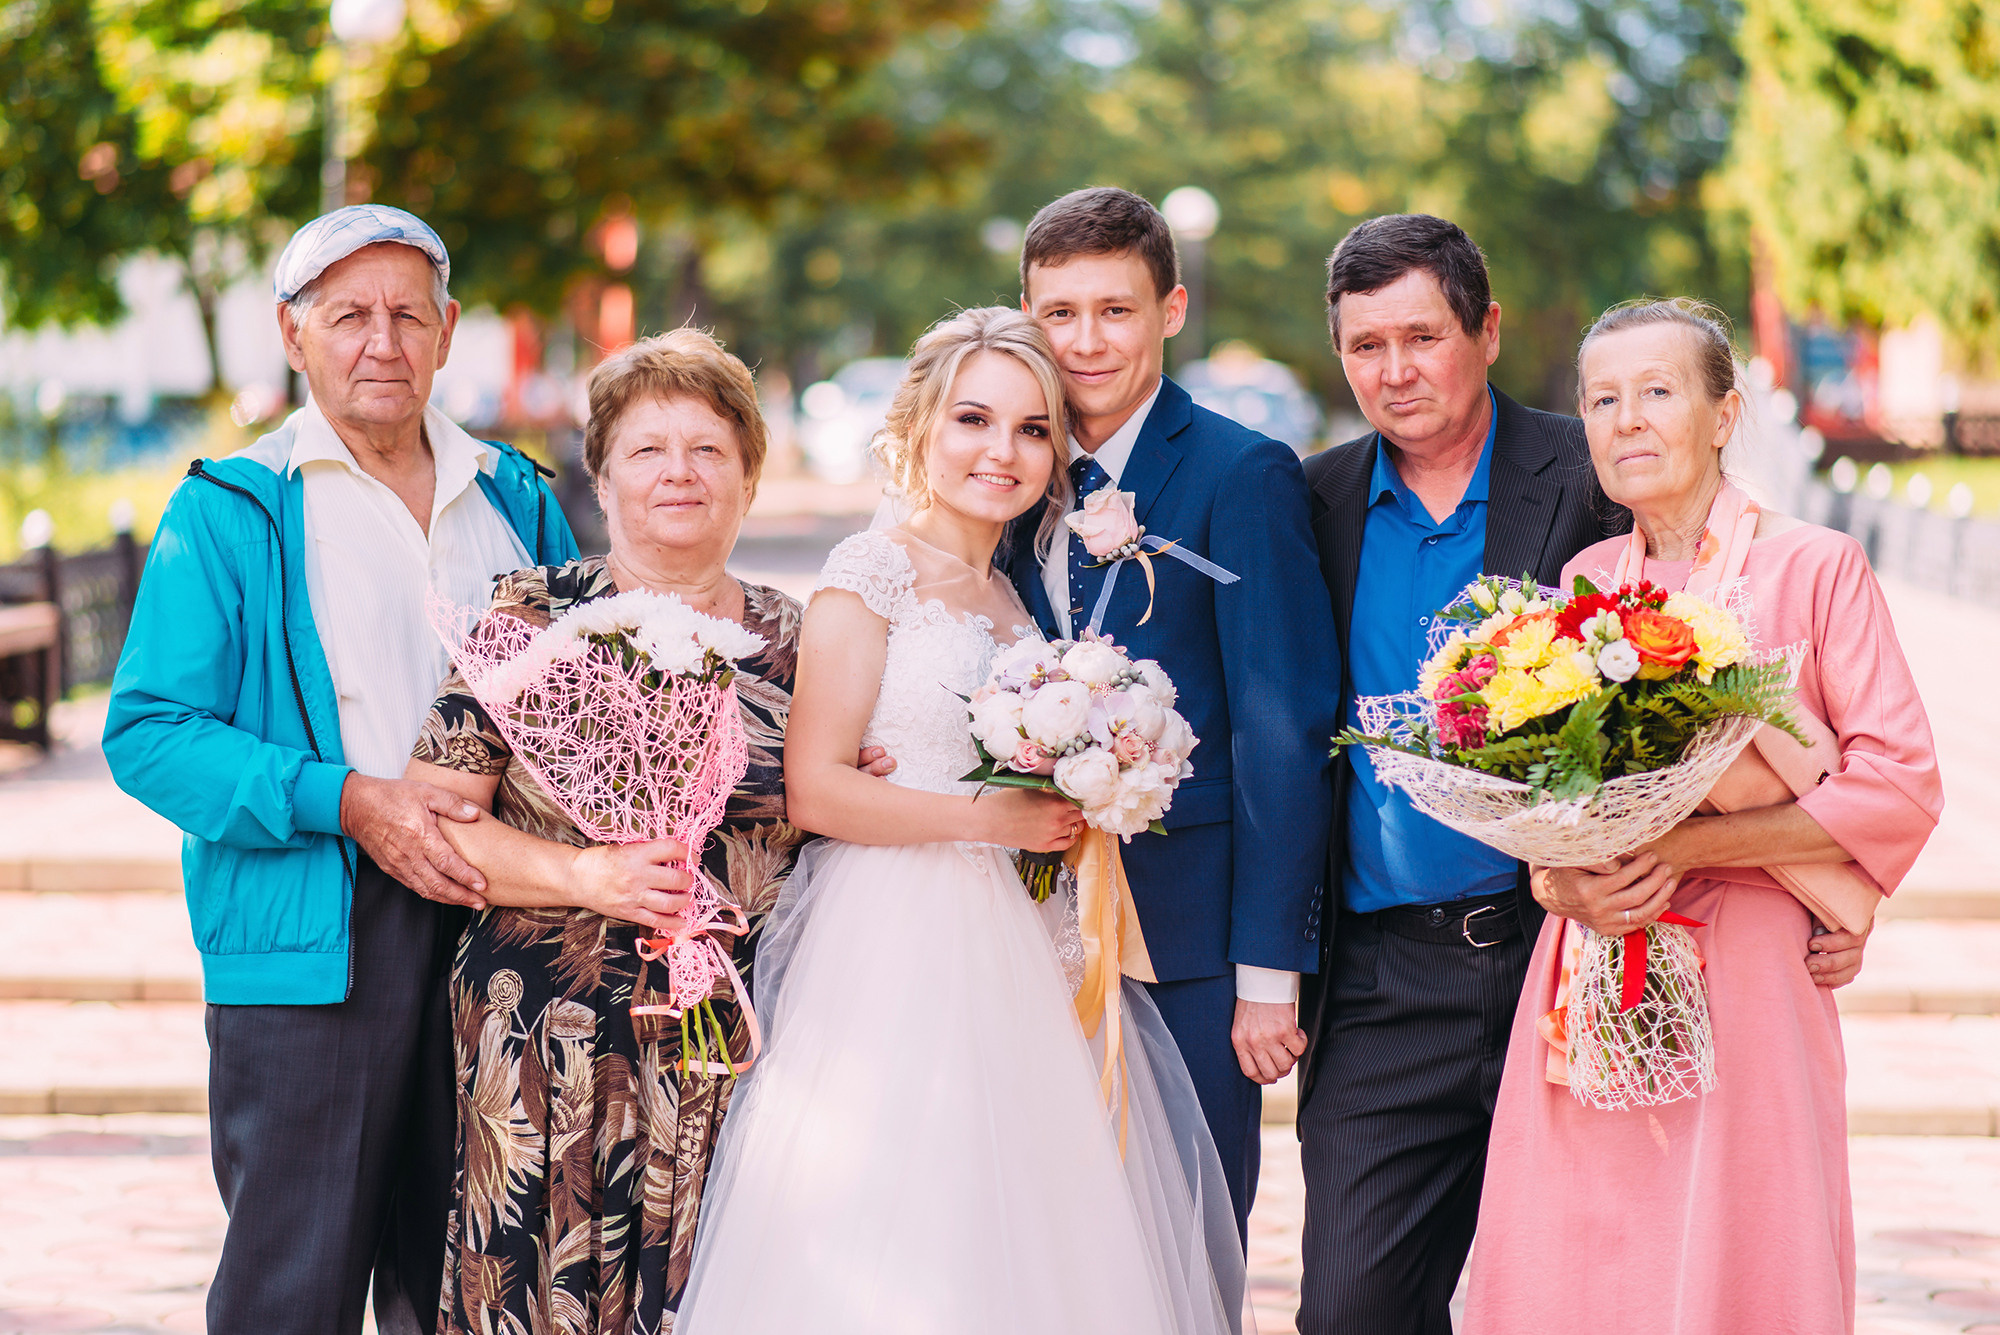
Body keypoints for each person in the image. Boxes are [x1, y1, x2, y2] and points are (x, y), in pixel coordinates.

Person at [677, 306, 1245, 1334]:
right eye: (973, 420)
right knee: (902, 1219)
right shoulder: (871, 572)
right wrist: (993, 822)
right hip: (896, 937)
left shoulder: (1018, 601)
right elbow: (816, 789)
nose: (1002, 451)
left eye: (1032, 429)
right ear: (921, 428)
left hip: (1023, 938)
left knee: (1028, 1222)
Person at [103, 204, 579, 1335]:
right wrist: (350, 801)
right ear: (293, 334)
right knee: (292, 1288)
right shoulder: (231, 508)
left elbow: (597, 696)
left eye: (408, 315)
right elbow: (150, 732)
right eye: (349, 315)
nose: (382, 342)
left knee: (466, 1285)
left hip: (501, 932)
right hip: (318, 934)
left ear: (448, 332)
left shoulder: (516, 496)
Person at [1462, 299, 1941, 1335]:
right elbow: (1553, 795)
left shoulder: (1813, 566)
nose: (1625, 419)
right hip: (1598, 949)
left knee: (1743, 1228)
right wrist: (1557, 876)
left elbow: (1898, 782)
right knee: (1584, 1244)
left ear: (1723, 415)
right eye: (1601, 399)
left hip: (1754, 967)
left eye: (1656, 391)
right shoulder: (1586, 582)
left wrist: (1688, 844)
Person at [405, 328, 849, 1330]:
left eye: (708, 449)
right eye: (647, 450)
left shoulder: (803, 643)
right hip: (546, 1036)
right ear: (601, 482)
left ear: (747, 479)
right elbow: (433, 818)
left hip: (737, 1041)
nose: (678, 473)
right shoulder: (530, 616)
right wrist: (586, 876)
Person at [1292, 213, 1637, 1335]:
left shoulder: (1589, 475)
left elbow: (1705, 649)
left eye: (1422, 336)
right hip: (1380, 984)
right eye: (1365, 345)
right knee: (1351, 1312)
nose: (1394, 370)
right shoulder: (1311, 502)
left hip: (1567, 958)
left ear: (1485, 332)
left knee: (1584, 1304)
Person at [1008, 186, 1340, 1234]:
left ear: (1172, 310)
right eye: (1059, 313)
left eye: (1115, 310)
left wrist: (1267, 972)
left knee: (1188, 1237)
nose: (1085, 341)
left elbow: (1281, 729)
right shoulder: (1006, 471)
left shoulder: (1242, 473)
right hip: (1021, 934)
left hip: (1189, 942)